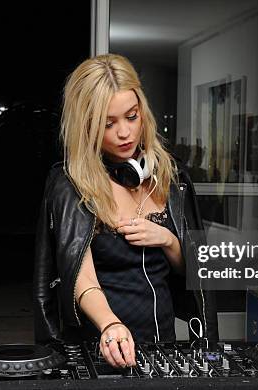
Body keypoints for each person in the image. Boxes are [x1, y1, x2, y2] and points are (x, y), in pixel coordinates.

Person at [33, 54, 218, 368]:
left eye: (131, 117)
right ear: (86, 126)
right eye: (108, 123)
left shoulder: (173, 180)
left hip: (163, 344)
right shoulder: (69, 184)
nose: (124, 133)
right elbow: (79, 275)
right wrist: (110, 324)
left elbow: (195, 273)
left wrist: (168, 240)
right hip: (102, 344)